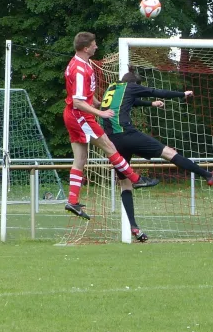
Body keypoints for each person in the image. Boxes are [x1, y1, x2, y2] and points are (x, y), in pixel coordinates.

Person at [100, 68, 213, 242]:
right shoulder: (131, 87)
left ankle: (135, 228)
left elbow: (132, 102)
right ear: (135, 84)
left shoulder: (112, 88)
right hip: (127, 134)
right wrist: (181, 93)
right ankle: (208, 175)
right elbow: (155, 91)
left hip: (111, 142)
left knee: (125, 183)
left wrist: (151, 104)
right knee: (169, 152)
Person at [63, 32, 158, 221]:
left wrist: (97, 103)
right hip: (80, 116)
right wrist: (101, 113)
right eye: (94, 44)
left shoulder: (79, 63)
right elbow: (78, 101)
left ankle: (72, 201)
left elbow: (84, 95)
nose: (96, 46)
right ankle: (136, 179)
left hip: (73, 115)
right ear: (85, 48)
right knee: (110, 147)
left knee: (80, 158)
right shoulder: (80, 70)